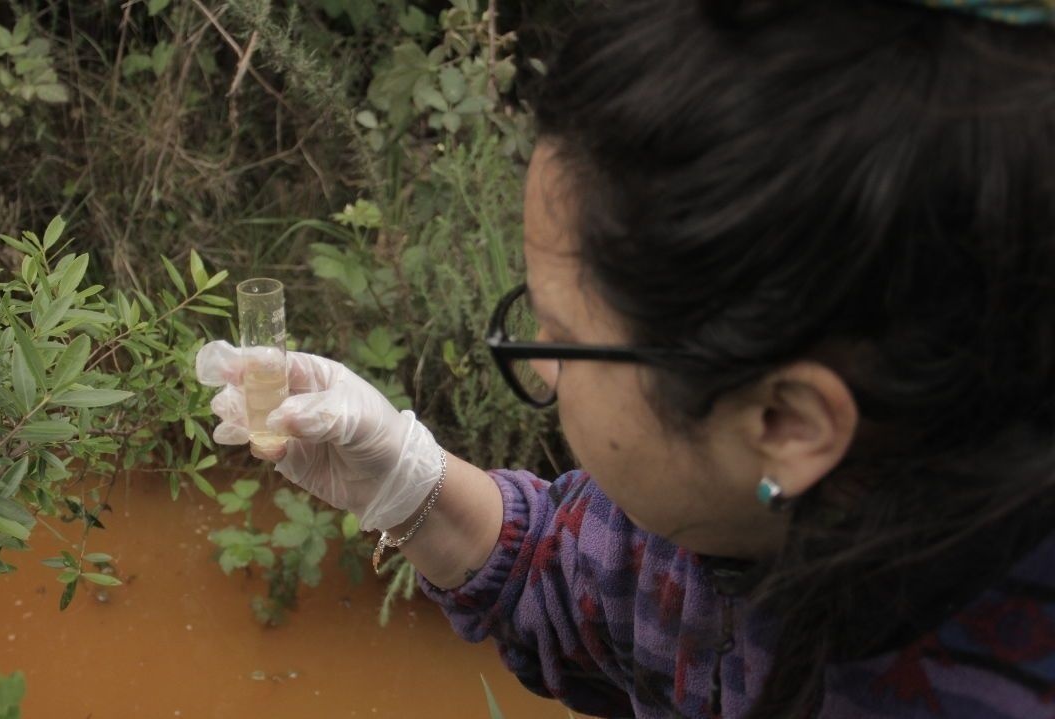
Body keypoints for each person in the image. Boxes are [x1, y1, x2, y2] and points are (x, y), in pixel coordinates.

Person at [195, 0, 1055, 716]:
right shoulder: (765, 517)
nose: (539, 370)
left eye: (559, 339)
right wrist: (407, 482)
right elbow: (573, 575)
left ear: (788, 423)